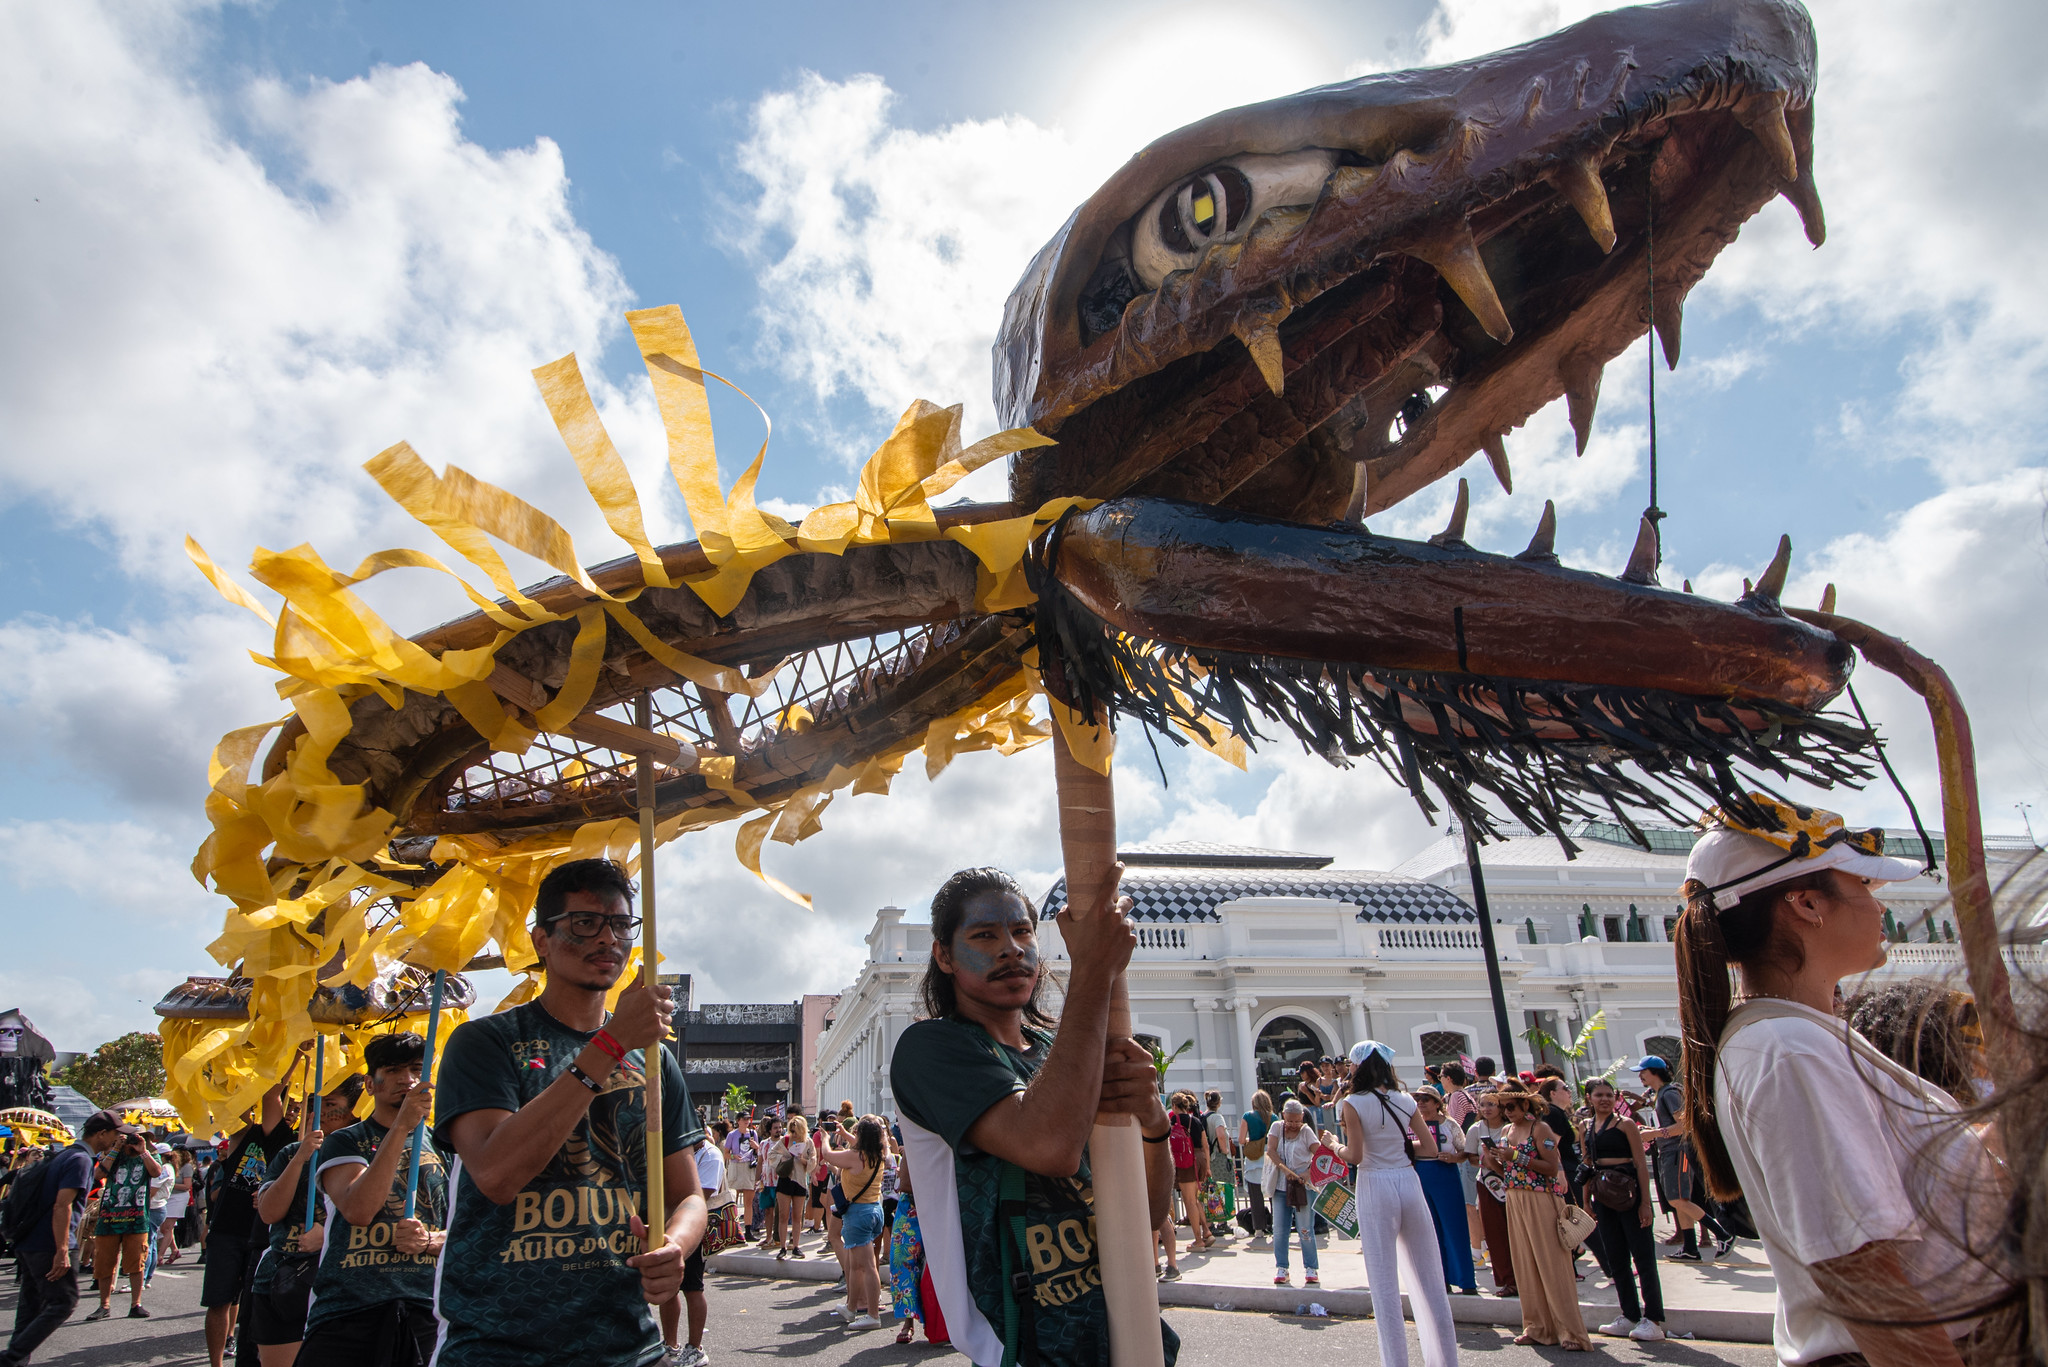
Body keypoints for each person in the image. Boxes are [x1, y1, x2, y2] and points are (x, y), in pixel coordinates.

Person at [1674, 798, 2012, 1367]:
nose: (1881, 905)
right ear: (1807, 904)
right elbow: (1864, 1278)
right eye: (1864, 884)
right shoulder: (1789, 1050)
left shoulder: (1806, 1036)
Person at [888, 865, 1177, 1367]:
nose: (1011, 948)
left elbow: (1143, 1215)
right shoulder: (930, 1049)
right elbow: (1050, 1146)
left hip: (1121, 1331)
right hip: (1021, 1344)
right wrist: (1092, 969)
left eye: (1023, 931)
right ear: (944, 955)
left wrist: (1154, 1125)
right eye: (984, 935)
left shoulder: (1058, 1052)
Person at [433, 857, 707, 1367]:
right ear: (542, 940)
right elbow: (495, 1173)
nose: (608, 939)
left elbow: (687, 1194)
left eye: (621, 924)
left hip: (628, 1343)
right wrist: (612, 1042)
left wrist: (675, 1245)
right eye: (585, 923)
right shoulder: (486, 1043)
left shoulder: (654, 1061)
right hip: (499, 1344)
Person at [298, 1033, 446, 1365]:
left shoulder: (443, 1144)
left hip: (423, 1308)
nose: (407, 1079)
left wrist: (430, 1241)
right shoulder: (346, 1142)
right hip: (349, 1310)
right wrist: (401, 1129)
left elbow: (467, 1227)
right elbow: (359, 1209)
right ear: (370, 1083)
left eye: (416, 1069)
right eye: (393, 1070)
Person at [1328, 1041, 1459, 1367]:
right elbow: (1429, 1149)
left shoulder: (1352, 1103)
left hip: (1375, 1183)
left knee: (1384, 1284)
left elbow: (1355, 1155)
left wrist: (1333, 1145)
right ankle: (1446, 1361)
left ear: (1358, 1066)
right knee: (1431, 1279)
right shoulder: (1405, 1099)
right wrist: (1397, 1145)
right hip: (1408, 1181)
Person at [247, 1076, 362, 1366]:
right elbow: (269, 1213)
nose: (318, 1112)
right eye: (314, 1104)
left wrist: (328, 1235)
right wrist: (301, 1156)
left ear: (355, 1110)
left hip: (343, 1285)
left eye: (331, 1104)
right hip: (283, 1281)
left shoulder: (368, 1154)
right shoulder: (290, 1153)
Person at [1482, 1083, 1588, 1348]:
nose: (1506, 1112)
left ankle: (1571, 1333)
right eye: (1503, 1107)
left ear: (1525, 1105)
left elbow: (1551, 1168)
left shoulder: (1540, 1129)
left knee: (1552, 1267)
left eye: (1511, 1106)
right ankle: (1537, 1328)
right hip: (1515, 1198)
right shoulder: (1506, 1130)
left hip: (1541, 1199)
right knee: (1525, 1265)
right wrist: (1492, 1158)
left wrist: (1515, 1155)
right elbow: (1506, 1170)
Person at [201, 1078, 293, 1367]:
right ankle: (216, 1363)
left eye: (295, 1109)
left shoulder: (293, 1143)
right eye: (288, 1107)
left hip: (263, 1235)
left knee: (255, 1303)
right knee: (219, 1301)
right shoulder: (244, 1133)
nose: (290, 1112)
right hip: (227, 1230)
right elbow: (269, 1092)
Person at [0, 1117, 94, 1366]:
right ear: (102, 1134)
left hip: (28, 1240)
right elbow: (62, 1205)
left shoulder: (64, 1156)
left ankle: (15, 1359)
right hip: (49, 1243)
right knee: (63, 1302)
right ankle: (11, 1358)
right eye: (116, 1134)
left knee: (30, 1306)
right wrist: (62, 1249)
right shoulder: (80, 1159)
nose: (119, 1138)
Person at [1580, 1077, 1664, 1341]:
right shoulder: (1585, 1126)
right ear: (1589, 1099)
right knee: (1616, 1258)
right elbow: (1587, 1165)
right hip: (1602, 1196)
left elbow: (1640, 1164)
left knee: (1643, 1257)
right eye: (1599, 1095)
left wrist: (1645, 1204)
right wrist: (1585, 1202)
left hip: (1629, 1193)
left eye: (1609, 1095)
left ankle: (1654, 1319)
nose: (1604, 1099)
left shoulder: (1626, 1125)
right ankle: (1629, 1315)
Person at [1633, 1056, 1733, 1260]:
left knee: (1676, 1199)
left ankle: (1723, 1234)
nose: (1640, 1076)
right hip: (1671, 1152)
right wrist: (1654, 1131)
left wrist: (1655, 1134)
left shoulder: (1668, 1094)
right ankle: (1690, 1248)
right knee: (1680, 1199)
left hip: (1678, 1152)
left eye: (1643, 1071)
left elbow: (1683, 1125)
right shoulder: (1661, 1094)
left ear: (1655, 1072)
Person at [83, 1120, 160, 1321]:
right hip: (109, 1216)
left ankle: (136, 1304)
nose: (131, 1141)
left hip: (136, 1217)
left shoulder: (149, 1154)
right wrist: (116, 1149)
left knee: (136, 1262)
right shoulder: (111, 1153)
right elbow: (98, 1174)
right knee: (104, 1262)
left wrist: (143, 1150)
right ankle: (104, 1305)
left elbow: (156, 1172)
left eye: (137, 1137)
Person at [660, 1133, 725, 1366]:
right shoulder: (679, 1152)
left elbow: (699, 1197)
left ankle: (695, 1347)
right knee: (668, 1288)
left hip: (694, 1229)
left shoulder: (711, 1155)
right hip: (668, 1223)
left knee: (693, 1288)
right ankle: (670, 1345)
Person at [819, 1115, 888, 1329]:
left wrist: (824, 1137)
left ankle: (873, 1315)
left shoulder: (855, 1156)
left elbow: (828, 1155)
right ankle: (850, 1308)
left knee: (867, 1266)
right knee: (857, 1265)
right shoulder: (880, 1153)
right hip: (875, 1210)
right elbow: (862, 1143)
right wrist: (844, 1133)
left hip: (858, 1214)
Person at [1412, 1088, 1477, 1297]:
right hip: (1420, 1174)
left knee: (1454, 1227)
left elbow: (1464, 1150)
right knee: (1430, 1230)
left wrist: (1453, 1158)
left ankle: (1467, 1281)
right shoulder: (1412, 1123)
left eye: (1425, 1099)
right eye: (1418, 1099)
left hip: (1445, 1174)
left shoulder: (1449, 1124)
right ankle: (1441, 1280)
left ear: (1437, 1102)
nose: (1421, 1103)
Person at [1265, 1099, 1321, 1288]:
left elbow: (1319, 1154)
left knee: (1305, 1229)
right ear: (1283, 1116)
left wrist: (1306, 1173)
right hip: (1281, 1186)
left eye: (1297, 1121)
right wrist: (1285, 1170)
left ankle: (1311, 1268)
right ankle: (1282, 1267)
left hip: (1303, 1187)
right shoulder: (1276, 1128)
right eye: (1290, 1121)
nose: (1293, 1125)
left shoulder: (1306, 1132)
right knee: (1280, 1230)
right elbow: (1271, 1151)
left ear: (1302, 1118)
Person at [1468, 1091, 1515, 1297]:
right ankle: (1507, 1280)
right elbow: (1468, 1156)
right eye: (1483, 1104)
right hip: (1488, 1183)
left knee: (1517, 1232)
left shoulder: (1510, 1129)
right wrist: (1485, 1161)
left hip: (1514, 1182)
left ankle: (1525, 1277)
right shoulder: (1476, 1129)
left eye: (1492, 1104)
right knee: (1495, 1234)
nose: (1487, 1108)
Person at [1168, 1090, 1212, 1251]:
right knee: (1195, 1198)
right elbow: (1205, 1144)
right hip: (1200, 1158)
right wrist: (1207, 1166)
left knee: (1189, 1201)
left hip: (1186, 1160)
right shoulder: (1196, 1120)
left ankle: (1198, 1240)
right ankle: (1207, 1232)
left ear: (1174, 1105)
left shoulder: (1174, 1119)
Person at [771, 1116, 814, 1259]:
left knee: (797, 1216)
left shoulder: (808, 1142)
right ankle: (782, 1247)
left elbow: (813, 1161)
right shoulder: (785, 1140)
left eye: (796, 1131)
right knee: (783, 1215)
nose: (794, 1134)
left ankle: (796, 1246)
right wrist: (784, 1158)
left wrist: (803, 1159)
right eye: (792, 1130)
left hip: (800, 1181)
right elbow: (772, 1154)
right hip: (785, 1179)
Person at [1238, 1090, 1274, 1237]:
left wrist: (1249, 1142)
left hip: (1254, 1158)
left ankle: (1259, 1228)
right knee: (1273, 1193)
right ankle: (1276, 1224)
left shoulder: (1247, 1116)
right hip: (1269, 1156)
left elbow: (1241, 1140)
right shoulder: (1274, 1117)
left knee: (1255, 1195)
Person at [1202, 1090, 1236, 1239]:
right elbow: (1221, 1135)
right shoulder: (1217, 1118)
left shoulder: (1203, 1116)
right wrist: (1225, 1150)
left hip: (1208, 1158)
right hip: (1219, 1157)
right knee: (1223, 1189)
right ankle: (1222, 1221)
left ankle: (1211, 1221)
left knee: (1210, 1191)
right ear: (1219, 1102)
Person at [158, 1151, 192, 1268]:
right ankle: (174, 1250)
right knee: (166, 1228)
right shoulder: (167, 1167)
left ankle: (160, 1256)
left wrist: (169, 1184)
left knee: (166, 1228)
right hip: (168, 1197)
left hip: (179, 1198)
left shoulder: (186, 1167)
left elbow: (187, 1186)